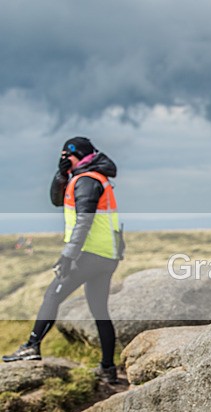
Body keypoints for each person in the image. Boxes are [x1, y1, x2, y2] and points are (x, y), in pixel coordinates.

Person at [2, 137, 124, 384]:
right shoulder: (92, 178)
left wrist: (68, 254)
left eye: (65, 156)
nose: (62, 160)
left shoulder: (86, 181)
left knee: (52, 295)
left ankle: (32, 346)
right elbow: (57, 200)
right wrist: (61, 175)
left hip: (87, 255)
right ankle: (108, 368)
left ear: (75, 155)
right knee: (99, 310)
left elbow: (84, 221)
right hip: (106, 255)